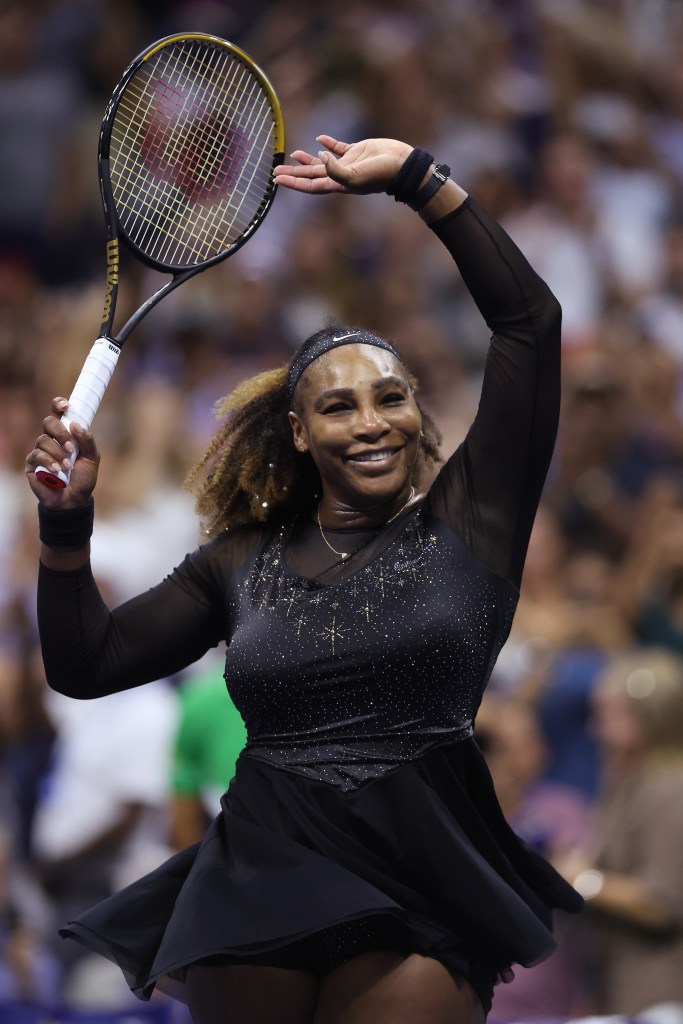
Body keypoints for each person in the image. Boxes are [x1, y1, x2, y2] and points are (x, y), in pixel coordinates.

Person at [25, 135, 582, 1024]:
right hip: (260, 877)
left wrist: (415, 179)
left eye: (390, 396)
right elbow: (85, 666)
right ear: (296, 432)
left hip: (421, 873)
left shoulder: (475, 520)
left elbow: (529, 324)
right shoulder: (238, 560)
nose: (371, 422)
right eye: (337, 404)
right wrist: (65, 526)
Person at [559, 646, 683, 1016]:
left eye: (606, 713)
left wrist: (585, 881)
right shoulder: (626, 787)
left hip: (663, 1000)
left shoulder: (670, 790)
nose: (595, 728)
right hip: (623, 993)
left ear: (645, 717)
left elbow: (663, 904)